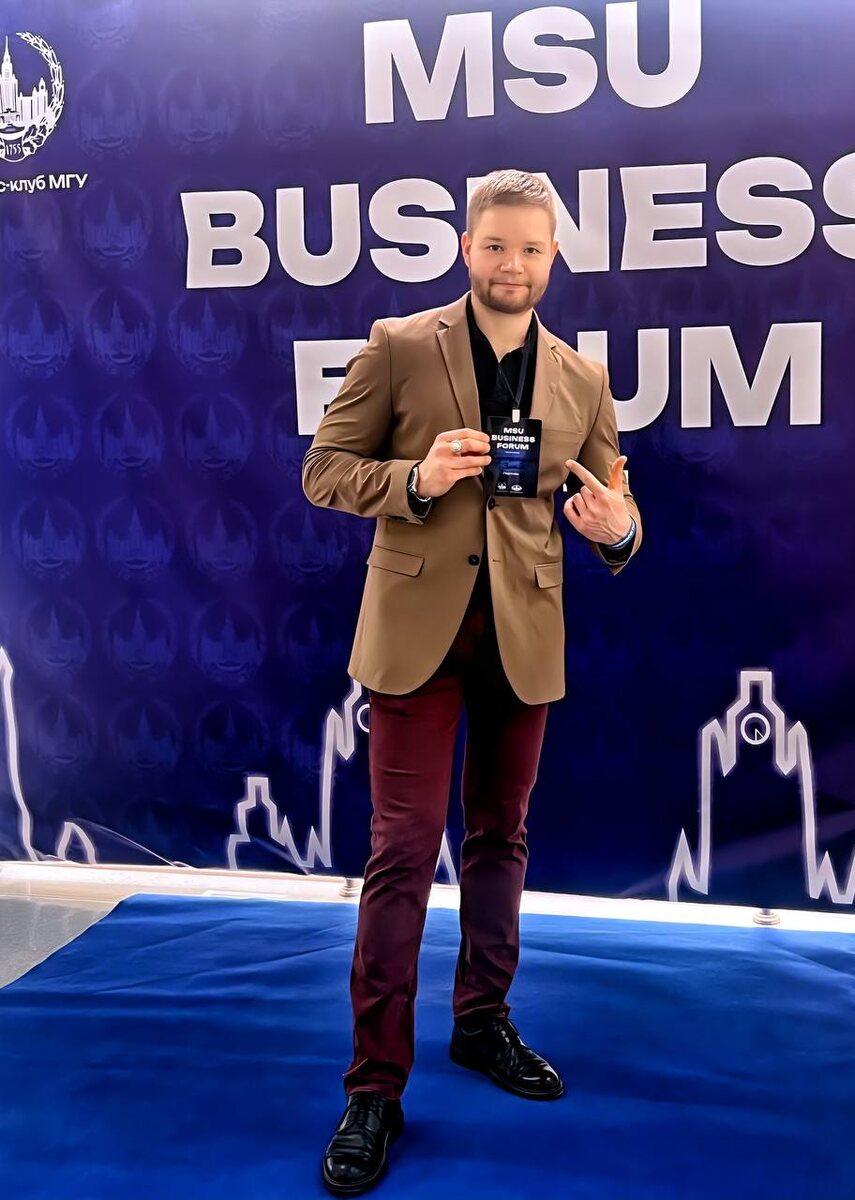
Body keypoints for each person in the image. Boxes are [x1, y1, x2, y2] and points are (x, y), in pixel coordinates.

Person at [302, 168, 642, 1196]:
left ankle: (482, 1021)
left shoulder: (584, 379)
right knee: (402, 852)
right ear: (466, 246)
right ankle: (374, 1087)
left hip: (522, 638)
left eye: (531, 248)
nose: (512, 264)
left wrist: (617, 533)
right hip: (417, 637)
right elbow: (324, 469)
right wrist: (412, 481)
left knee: (502, 838)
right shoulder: (400, 345)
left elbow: (617, 507)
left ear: (554, 256)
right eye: (496, 245)